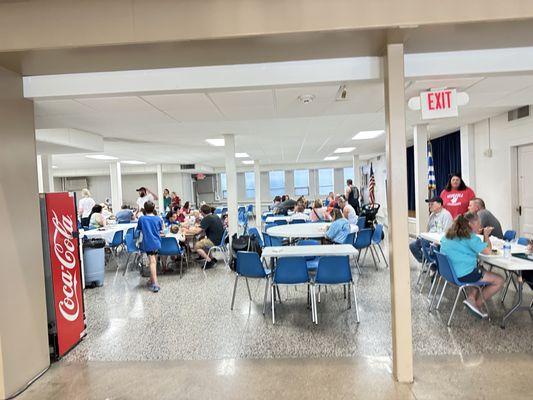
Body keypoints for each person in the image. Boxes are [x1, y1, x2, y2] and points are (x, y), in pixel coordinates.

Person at [440, 212, 504, 318]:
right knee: (499, 280)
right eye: (478, 223)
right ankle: (476, 304)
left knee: (479, 268)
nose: (480, 226)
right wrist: (486, 235)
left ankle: (471, 297)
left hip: (449, 273)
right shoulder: (470, 237)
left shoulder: (449, 234)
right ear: (470, 224)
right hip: (463, 274)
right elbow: (488, 251)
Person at [409, 196, 453, 262]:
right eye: (429, 204)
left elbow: (446, 232)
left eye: (432, 204)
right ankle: (426, 261)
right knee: (413, 246)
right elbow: (428, 229)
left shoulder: (446, 215)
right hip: (429, 238)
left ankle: (429, 261)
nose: (429, 206)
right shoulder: (432, 215)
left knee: (424, 246)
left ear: (439, 204)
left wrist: (435, 242)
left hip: (437, 241)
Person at [135, 201, 163, 293]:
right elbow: (160, 229)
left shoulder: (142, 219)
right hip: (157, 242)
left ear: (144, 208)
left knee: (152, 262)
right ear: (154, 208)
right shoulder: (158, 218)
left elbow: (138, 230)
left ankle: (155, 283)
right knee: (153, 260)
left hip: (148, 242)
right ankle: (152, 280)